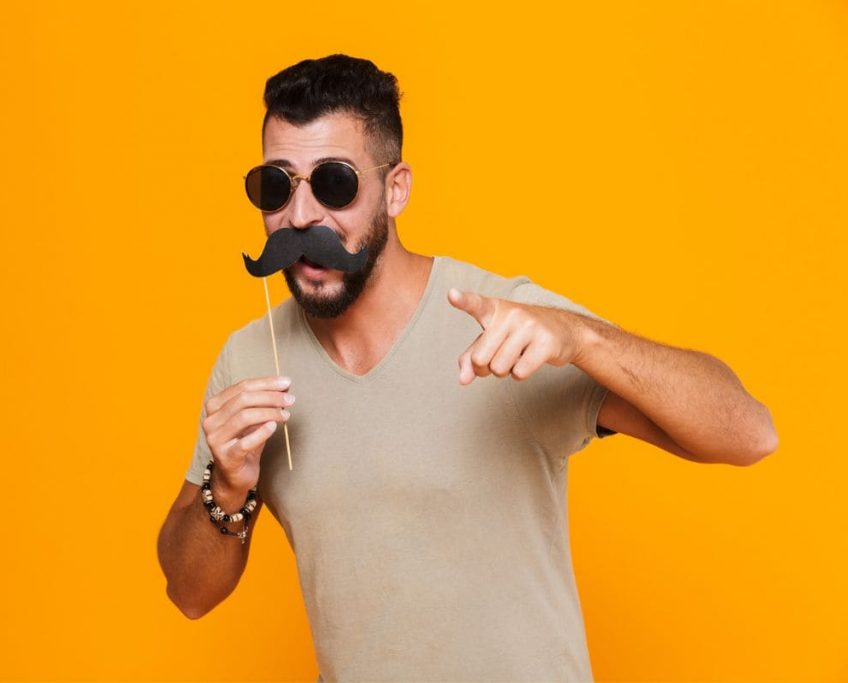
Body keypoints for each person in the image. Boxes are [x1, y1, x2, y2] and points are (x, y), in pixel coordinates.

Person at [157, 54, 778, 682]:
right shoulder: (249, 360)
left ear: (395, 188)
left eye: (335, 184)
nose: (299, 217)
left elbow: (749, 433)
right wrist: (227, 489)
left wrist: (585, 337)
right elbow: (189, 593)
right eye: (276, 185)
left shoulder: (504, 325)